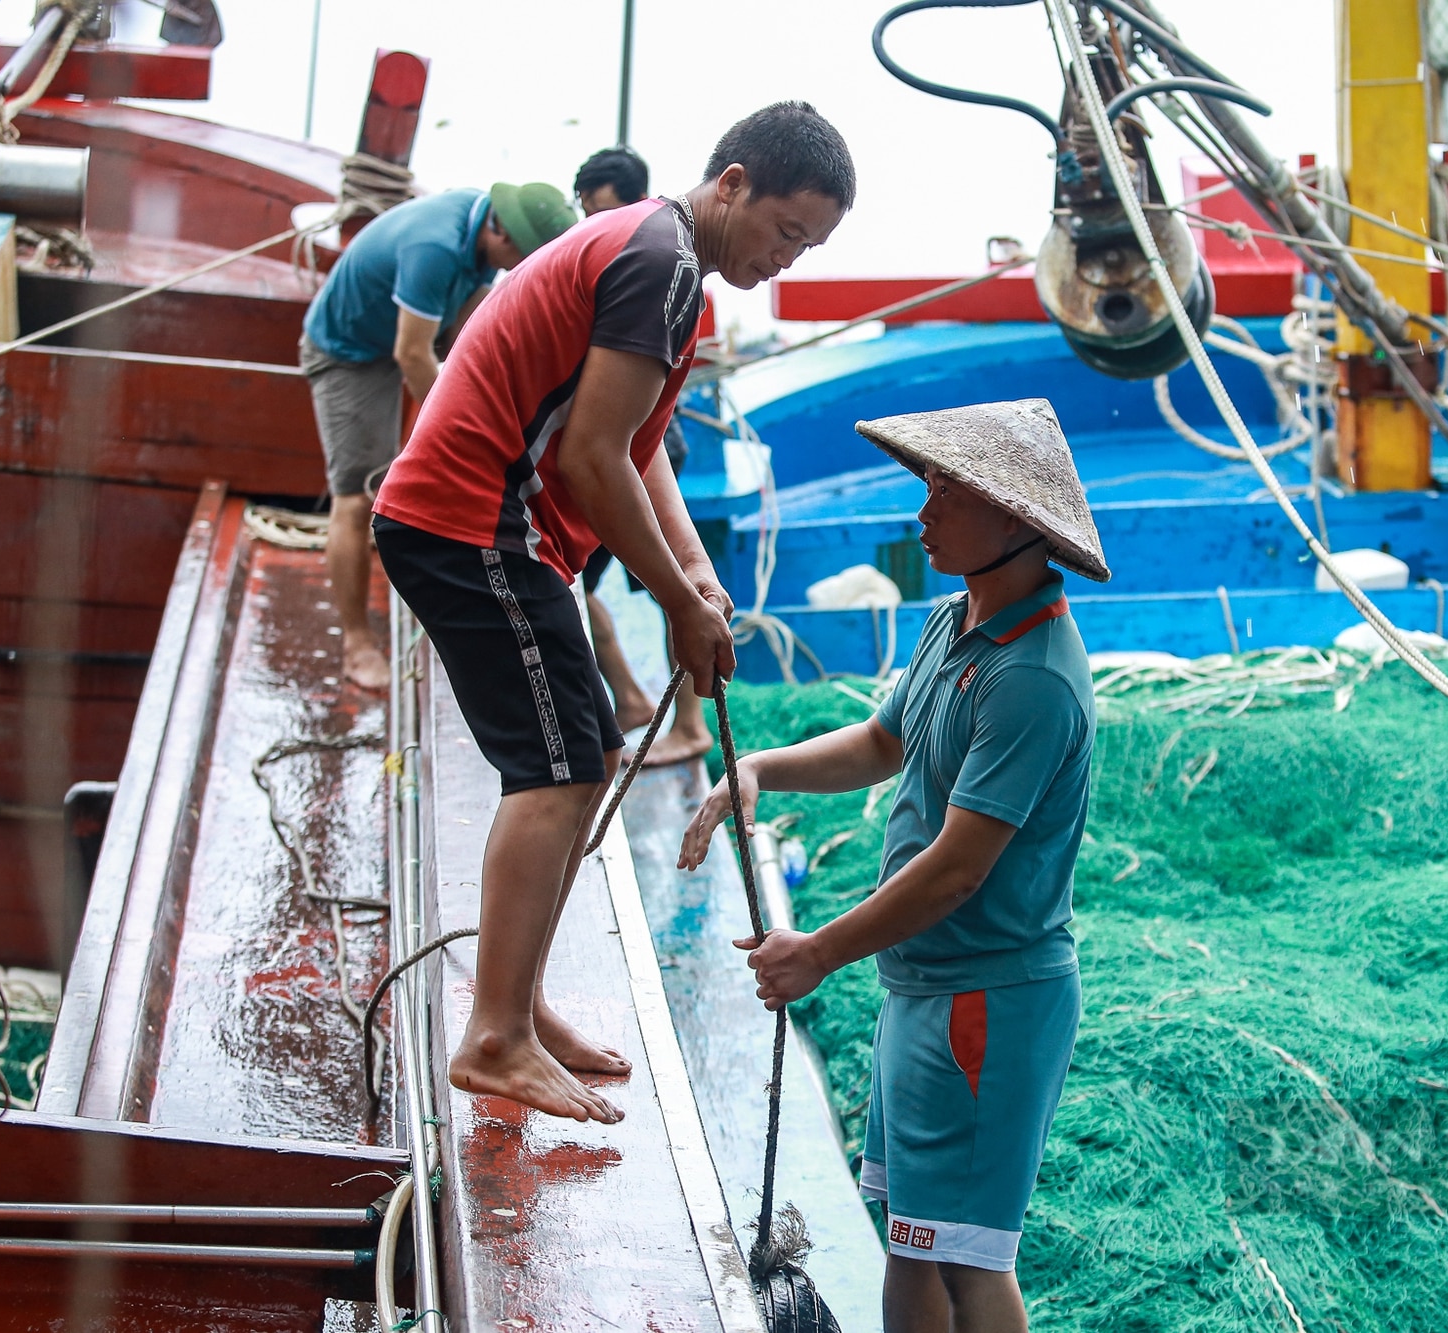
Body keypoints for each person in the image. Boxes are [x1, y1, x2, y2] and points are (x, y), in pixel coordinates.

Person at [371, 102, 856, 1123]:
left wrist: (690, 567)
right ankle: (494, 1036)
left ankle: (519, 1003)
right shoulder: (662, 263)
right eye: (782, 232)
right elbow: (590, 456)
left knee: (578, 752)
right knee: (555, 769)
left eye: (804, 247)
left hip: (490, 527)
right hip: (470, 521)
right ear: (730, 184)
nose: (784, 259)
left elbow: (633, 446)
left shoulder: (671, 262)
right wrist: (680, 609)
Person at [679, 399, 1107, 1331]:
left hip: (986, 1002)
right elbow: (883, 742)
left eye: (947, 491)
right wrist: (759, 767)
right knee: (913, 1240)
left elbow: (958, 868)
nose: (924, 510)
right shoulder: (954, 621)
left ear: (1016, 520)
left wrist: (819, 950)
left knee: (967, 1260)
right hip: (926, 988)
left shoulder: (1032, 675)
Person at [302, 181, 579, 692]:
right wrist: (467, 431)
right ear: (500, 231)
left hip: (399, 336)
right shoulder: (437, 247)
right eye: (514, 260)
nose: (509, 270)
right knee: (355, 498)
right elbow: (413, 353)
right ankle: (356, 644)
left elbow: (470, 335)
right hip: (350, 352)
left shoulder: (483, 234)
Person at [571, 145, 715, 763]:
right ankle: (632, 699)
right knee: (586, 583)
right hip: (624, 444)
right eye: (584, 211)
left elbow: (612, 438)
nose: (590, 223)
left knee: (670, 586)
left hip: (648, 447)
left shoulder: (658, 264)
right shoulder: (619, 256)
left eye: (601, 209)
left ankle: (689, 723)